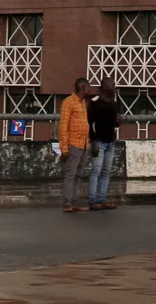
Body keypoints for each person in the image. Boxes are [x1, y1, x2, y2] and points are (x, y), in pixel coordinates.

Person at [55, 78, 92, 212]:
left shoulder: (83, 103)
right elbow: (63, 126)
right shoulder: (68, 102)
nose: (90, 90)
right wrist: (64, 148)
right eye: (88, 88)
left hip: (83, 144)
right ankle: (67, 202)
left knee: (79, 174)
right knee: (70, 174)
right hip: (73, 144)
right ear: (82, 88)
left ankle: (75, 200)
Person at [86, 78, 121, 211]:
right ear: (105, 87)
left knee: (106, 171)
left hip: (110, 141)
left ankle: (102, 198)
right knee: (96, 171)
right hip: (99, 141)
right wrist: (93, 140)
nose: (114, 87)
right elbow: (90, 123)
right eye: (112, 85)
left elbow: (113, 122)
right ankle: (92, 199)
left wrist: (118, 122)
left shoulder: (114, 102)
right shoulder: (95, 102)